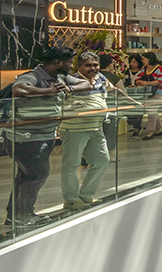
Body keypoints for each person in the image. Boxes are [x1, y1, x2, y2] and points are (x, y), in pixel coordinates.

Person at [4, 45, 76, 226]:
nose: (71, 66)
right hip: (26, 138)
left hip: (43, 135)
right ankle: (22, 216)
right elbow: (19, 89)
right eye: (69, 62)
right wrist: (48, 91)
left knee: (26, 175)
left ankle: (15, 215)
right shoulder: (32, 76)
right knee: (37, 174)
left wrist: (69, 88)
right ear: (58, 62)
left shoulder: (59, 77)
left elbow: (86, 83)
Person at [58, 50, 115, 212]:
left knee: (102, 160)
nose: (93, 68)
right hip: (74, 129)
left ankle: (85, 195)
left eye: (95, 65)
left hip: (96, 128)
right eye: (88, 65)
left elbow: (114, 90)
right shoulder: (71, 81)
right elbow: (59, 103)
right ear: (79, 66)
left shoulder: (101, 79)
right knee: (71, 164)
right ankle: (70, 200)